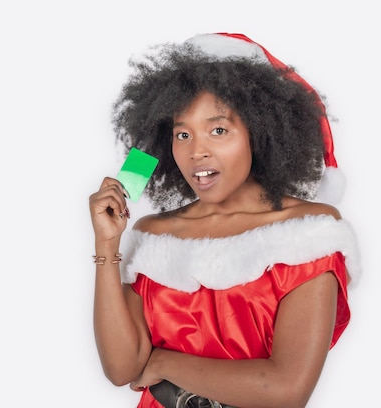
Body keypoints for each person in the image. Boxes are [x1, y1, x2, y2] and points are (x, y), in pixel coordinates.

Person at [88, 32, 360, 408]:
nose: (197, 151)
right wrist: (107, 244)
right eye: (183, 133)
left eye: (218, 130)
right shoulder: (154, 235)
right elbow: (122, 369)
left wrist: (165, 361)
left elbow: (286, 390)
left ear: (259, 133)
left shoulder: (309, 233)